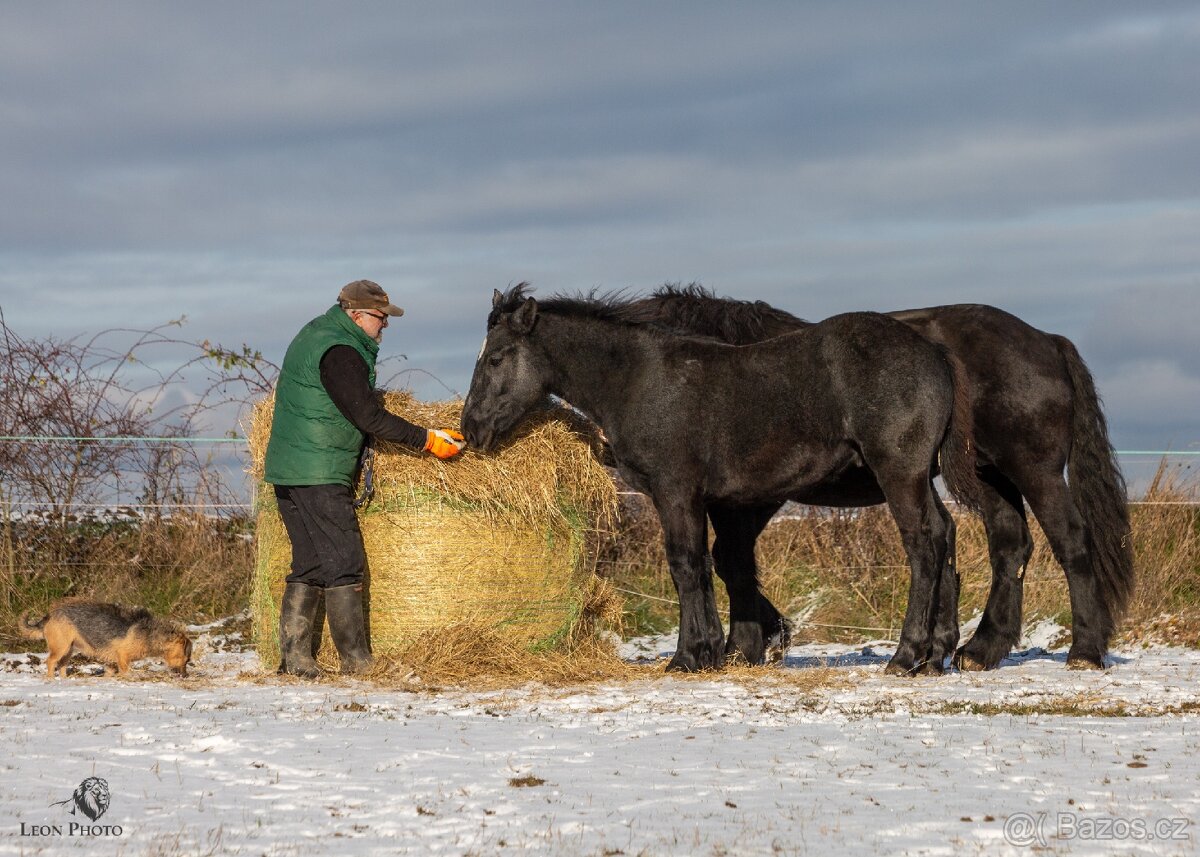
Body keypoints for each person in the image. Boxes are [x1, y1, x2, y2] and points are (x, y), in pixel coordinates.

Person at [264, 279, 464, 678]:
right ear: (356, 315)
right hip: (319, 470)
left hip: (289, 468)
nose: (384, 326)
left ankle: (296, 660)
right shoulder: (340, 351)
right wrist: (427, 440)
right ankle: (356, 662)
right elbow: (367, 415)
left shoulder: (317, 333)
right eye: (379, 318)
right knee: (344, 563)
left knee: (310, 563)